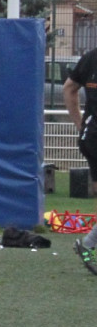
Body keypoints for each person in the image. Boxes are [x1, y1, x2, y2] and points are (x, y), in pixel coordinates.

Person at [64, 49, 97, 270]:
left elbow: (69, 88)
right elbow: (69, 88)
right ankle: (88, 244)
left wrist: (80, 125)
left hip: (91, 135)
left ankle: (88, 244)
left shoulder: (91, 57)